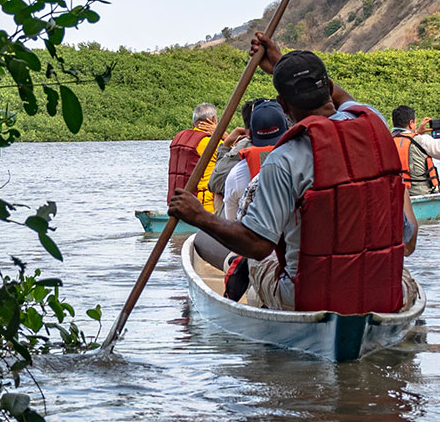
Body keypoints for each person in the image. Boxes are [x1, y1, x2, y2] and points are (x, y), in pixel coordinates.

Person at [169, 34, 417, 313]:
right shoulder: (374, 122)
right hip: (384, 292)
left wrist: (198, 216)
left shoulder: (283, 159)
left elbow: (257, 244)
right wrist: (281, 63)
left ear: (283, 105)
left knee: (257, 260)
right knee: (400, 256)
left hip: (309, 298)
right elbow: (344, 98)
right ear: (328, 87)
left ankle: (245, 283)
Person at [219, 99, 289, 222]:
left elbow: (231, 220)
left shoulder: (236, 175)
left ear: (249, 134)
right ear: (288, 130)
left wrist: (226, 145)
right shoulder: (305, 160)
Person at [389, 105, 440, 196]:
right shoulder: (422, 140)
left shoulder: (386, 140)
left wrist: (416, 132)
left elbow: (403, 140)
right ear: (411, 123)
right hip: (419, 193)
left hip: (395, 194)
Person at [167, 103, 219, 213]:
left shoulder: (178, 139)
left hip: (178, 204)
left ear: (193, 123)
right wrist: (222, 134)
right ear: (214, 119)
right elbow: (238, 157)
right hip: (205, 208)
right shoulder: (214, 143)